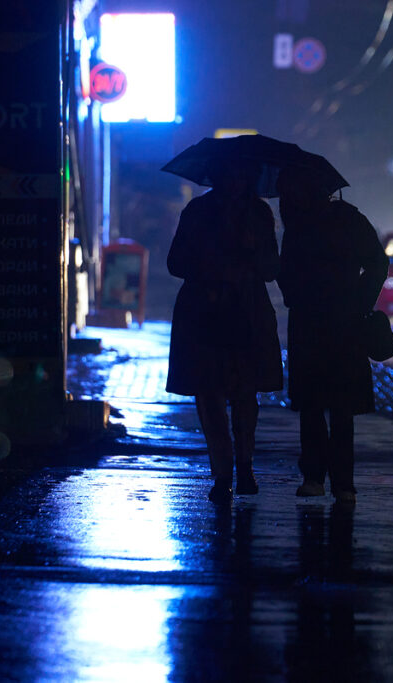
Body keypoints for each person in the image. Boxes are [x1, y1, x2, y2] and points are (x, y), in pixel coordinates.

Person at [165, 159, 283, 505]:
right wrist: (209, 267)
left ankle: (244, 467)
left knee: (245, 394)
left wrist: (253, 248)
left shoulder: (259, 214)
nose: (237, 180)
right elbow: (176, 262)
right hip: (204, 314)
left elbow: (271, 268)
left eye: (243, 174)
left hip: (246, 313)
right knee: (210, 395)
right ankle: (222, 473)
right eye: (231, 173)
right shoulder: (198, 211)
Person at [276, 165, 389, 504]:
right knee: (341, 408)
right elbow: (377, 264)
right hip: (344, 322)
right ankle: (343, 484)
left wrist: (295, 296)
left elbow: (285, 271)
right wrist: (360, 300)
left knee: (313, 405)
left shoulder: (298, 225)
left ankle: (315, 478)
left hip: (313, 322)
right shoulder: (350, 220)